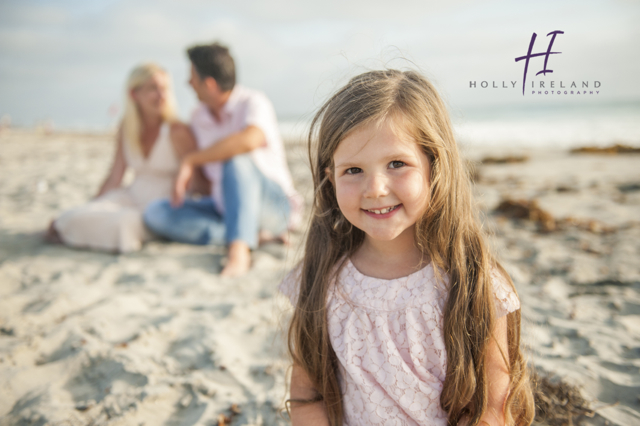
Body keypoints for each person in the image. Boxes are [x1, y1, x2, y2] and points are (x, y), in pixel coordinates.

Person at [279, 70, 535, 426]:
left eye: (396, 164)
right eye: (353, 170)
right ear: (329, 176)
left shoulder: (474, 282)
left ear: (435, 165)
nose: (375, 188)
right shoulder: (321, 280)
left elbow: (492, 407)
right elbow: (308, 400)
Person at [144, 43, 302, 277]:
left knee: (235, 161)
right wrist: (182, 147)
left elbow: (250, 139)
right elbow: (205, 185)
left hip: (274, 205)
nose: (188, 84)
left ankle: (239, 251)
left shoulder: (253, 102)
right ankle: (251, 234)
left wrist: (191, 160)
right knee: (156, 212)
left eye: (192, 78)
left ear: (208, 84)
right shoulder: (198, 117)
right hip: (224, 208)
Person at [46, 63, 203, 253]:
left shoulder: (177, 130)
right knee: (73, 216)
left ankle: (80, 235)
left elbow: (197, 180)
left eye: (165, 89)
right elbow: (115, 176)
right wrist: (92, 205)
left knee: (125, 223)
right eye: (153, 88)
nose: (162, 95)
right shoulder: (127, 127)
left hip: (161, 205)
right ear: (134, 94)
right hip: (131, 195)